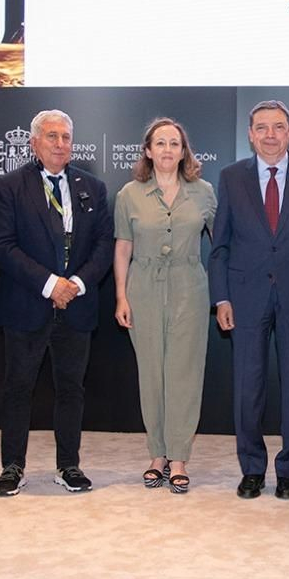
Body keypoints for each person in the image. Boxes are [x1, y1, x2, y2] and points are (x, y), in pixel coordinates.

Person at [209, 101, 289, 500]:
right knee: (248, 388)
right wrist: (221, 298)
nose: (269, 135)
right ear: (250, 134)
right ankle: (251, 468)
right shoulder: (231, 177)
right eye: (261, 127)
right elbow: (220, 246)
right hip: (245, 296)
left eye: (277, 127)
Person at [0, 109, 112, 497]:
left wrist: (74, 283)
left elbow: (104, 245)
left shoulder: (92, 186)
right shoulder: (8, 186)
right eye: (52, 137)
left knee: (71, 388)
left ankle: (69, 464)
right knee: (18, 388)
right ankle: (13, 465)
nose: (60, 144)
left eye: (66, 138)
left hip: (76, 305)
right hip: (27, 304)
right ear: (34, 143)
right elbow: (3, 246)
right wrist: (49, 284)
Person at [113, 118, 217, 494]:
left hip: (190, 286)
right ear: (148, 150)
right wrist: (121, 296)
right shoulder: (130, 194)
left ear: (184, 150)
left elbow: (221, 244)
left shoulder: (203, 191)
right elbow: (123, 247)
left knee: (184, 374)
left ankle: (179, 458)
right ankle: (156, 454)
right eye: (161, 143)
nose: (168, 150)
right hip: (143, 288)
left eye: (175, 143)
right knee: (152, 373)